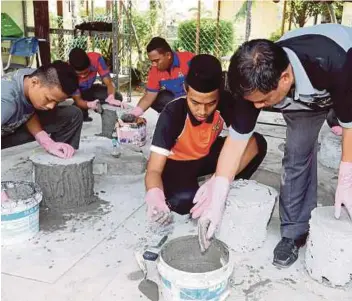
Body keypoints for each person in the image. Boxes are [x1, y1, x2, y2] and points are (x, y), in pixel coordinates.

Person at [194, 24, 352, 267]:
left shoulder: (337, 61)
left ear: (285, 78)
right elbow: (236, 143)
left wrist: (346, 175)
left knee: (347, 128)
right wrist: (218, 191)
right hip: (305, 99)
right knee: (297, 154)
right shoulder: (252, 82)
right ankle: (294, 233)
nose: (259, 107)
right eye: (254, 102)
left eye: (264, 101)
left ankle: (336, 114)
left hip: (341, 79)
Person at [144, 54, 267, 228]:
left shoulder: (226, 102)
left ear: (219, 94)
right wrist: (154, 195)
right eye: (195, 102)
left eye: (211, 103)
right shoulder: (172, 113)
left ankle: (223, 187)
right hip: (178, 162)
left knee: (259, 144)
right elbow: (154, 169)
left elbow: (251, 144)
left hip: (207, 155)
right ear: (186, 89)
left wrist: (219, 180)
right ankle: (207, 188)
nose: (202, 111)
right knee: (184, 202)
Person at [1, 61, 83, 159]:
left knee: (73, 114)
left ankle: (62, 156)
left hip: (14, 126)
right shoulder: (6, 101)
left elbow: (28, 111)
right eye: (48, 99)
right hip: (4, 138)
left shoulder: (34, 77)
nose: (51, 106)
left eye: (56, 102)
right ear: (34, 82)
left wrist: (47, 142)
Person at [130, 37, 195, 117]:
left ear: (168, 55)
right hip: (176, 102)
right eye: (152, 61)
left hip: (194, 101)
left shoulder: (189, 59)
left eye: (156, 61)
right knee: (158, 99)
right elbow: (149, 95)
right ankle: (174, 117)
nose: (154, 64)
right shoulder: (154, 70)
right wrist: (133, 114)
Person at [68, 47, 125, 122]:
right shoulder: (68, 70)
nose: (83, 76)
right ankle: (81, 110)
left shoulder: (96, 59)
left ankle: (96, 106)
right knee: (74, 115)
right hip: (79, 93)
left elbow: (109, 83)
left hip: (91, 89)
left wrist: (111, 97)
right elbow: (78, 100)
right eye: (79, 74)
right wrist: (89, 105)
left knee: (117, 96)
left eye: (85, 72)